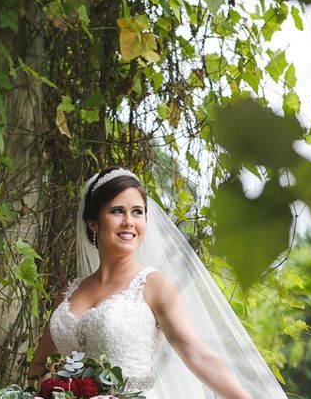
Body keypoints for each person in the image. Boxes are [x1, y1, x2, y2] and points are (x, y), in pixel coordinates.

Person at [28, 167, 287, 399]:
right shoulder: (68, 294)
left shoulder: (153, 285)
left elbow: (197, 354)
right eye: (117, 211)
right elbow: (39, 367)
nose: (129, 221)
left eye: (137, 212)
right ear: (94, 222)